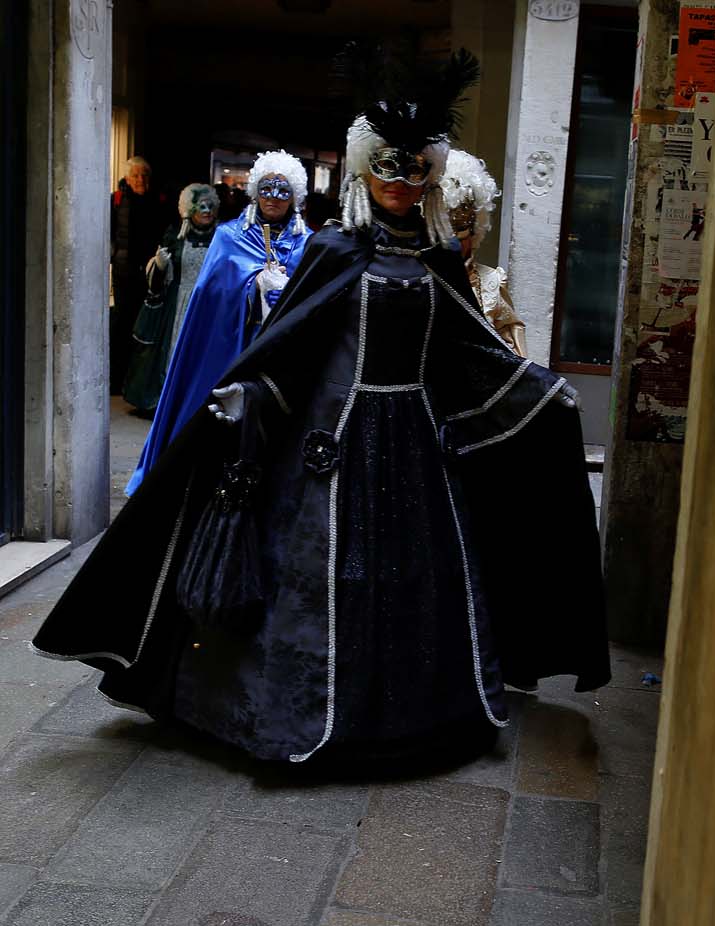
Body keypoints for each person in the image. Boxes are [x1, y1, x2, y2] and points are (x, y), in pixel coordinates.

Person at [31, 44, 609, 766]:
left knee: (409, 579)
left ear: (432, 169)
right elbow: (289, 348)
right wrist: (250, 394)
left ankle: (412, 715)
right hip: (327, 445)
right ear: (364, 165)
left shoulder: (438, 264)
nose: (399, 180)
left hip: (416, 449)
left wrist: (542, 392)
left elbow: (469, 357)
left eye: (415, 166)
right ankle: (301, 710)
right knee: (320, 578)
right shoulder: (333, 252)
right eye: (386, 164)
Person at [125, 150, 312, 496]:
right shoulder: (229, 237)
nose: (273, 197)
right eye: (267, 189)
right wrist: (252, 285)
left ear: (296, 196)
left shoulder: (307, 243)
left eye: (283, 190)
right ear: (255, 191)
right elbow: (211, 297)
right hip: (231, 350)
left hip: (282, 356)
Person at [122, 183, 221, 416]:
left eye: (210, 207)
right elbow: (157, 281)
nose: (206, 211)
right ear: (189, 209)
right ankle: (166, 402)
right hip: (177, 304)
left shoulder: (223, 237)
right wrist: (160, 265)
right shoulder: (176, 235)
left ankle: (194, 403)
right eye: (201, 206)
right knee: (173, 351)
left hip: (207, 305)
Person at [439, 148, 527, 357]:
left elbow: (514, 355)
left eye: (459, 235)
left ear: (475, 231)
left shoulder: (492, 283)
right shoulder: (410, 277)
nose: (451, 247)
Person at [111, 157, 168, 393]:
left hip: (149, 273)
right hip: (124, 272)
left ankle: (140, 380)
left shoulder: (158, 201)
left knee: (145, 326)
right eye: (136, 175)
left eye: (144, 175)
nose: (140, 180)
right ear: (127, 178)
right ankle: (117, 379)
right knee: (122, 325)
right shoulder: (116, 200)